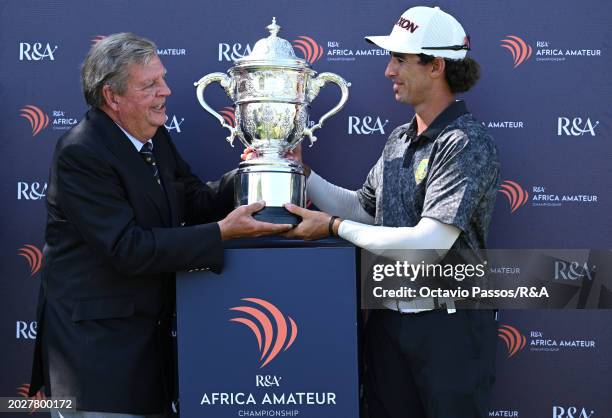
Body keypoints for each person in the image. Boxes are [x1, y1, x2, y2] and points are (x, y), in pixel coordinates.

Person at [28, 33, 291, 418]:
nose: (165, 91)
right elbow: (127, 249)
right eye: (149, 84)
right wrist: (222, 233)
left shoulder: (155, 136)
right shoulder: (80, 153)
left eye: (162, 79)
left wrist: (259, 168)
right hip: (96, 362)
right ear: (112, 97)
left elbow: (195, 200)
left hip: (150, 355)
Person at [279, 6, 500, 418]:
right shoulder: (399, 138)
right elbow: (363, 210)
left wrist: (330, 226)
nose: (388, 70)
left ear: (436, 66)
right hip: (387, 324)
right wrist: (299, 170)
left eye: (400, 59)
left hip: (448, 327)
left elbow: (429, 243)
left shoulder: (465, 142)